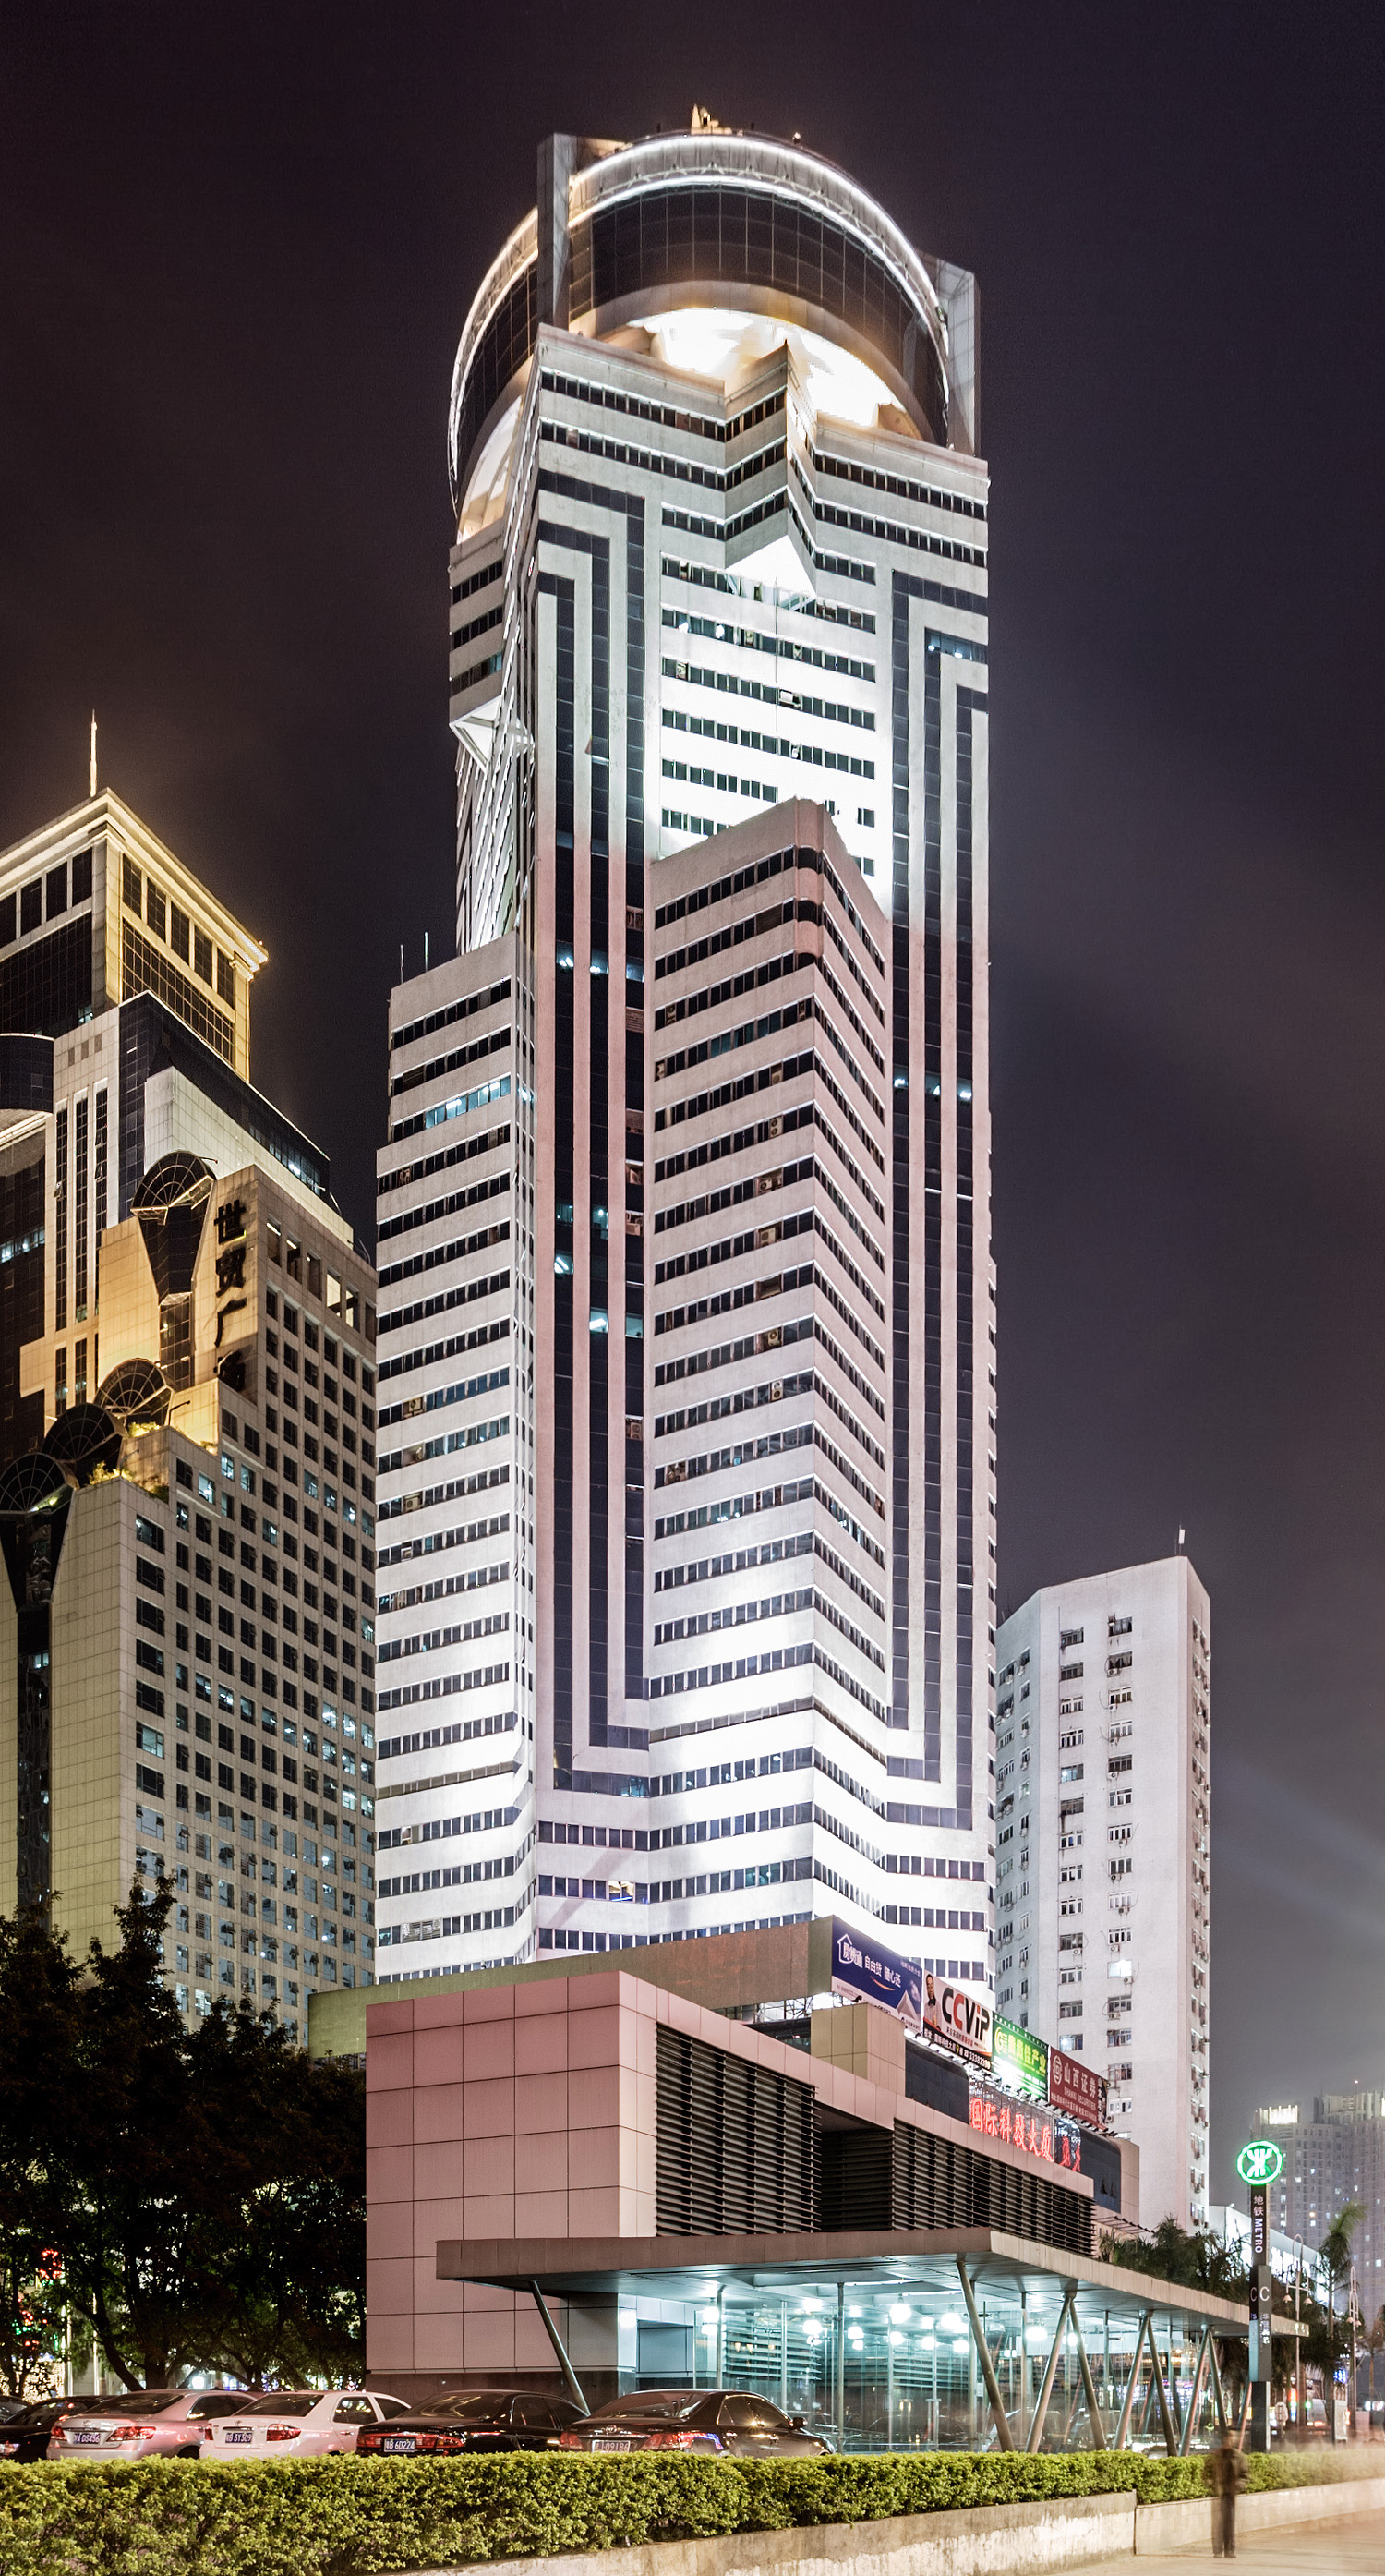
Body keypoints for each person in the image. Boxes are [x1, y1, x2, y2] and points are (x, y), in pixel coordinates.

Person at [1206, 2427, 1247, 2559]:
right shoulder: (1216, 2456)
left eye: (1233, 2437)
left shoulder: (1238, 2456)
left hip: (1231, 2493)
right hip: (1219, 2493)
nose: (1231, 2439)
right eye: (1229, 2437)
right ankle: (1217, 2550)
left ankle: (1230, 2549)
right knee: (1218, 2523)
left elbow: (1245, 2475)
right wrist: (1210, 2482)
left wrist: (1239, 2484)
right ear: (1224, 2439)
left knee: (1230, 2523)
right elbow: (1207, 2472)